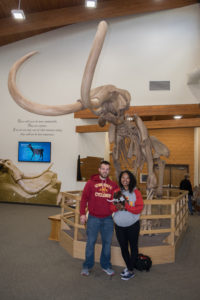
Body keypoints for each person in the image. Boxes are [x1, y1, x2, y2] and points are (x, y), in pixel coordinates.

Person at [80, 160, 118, 276]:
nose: (105, 171)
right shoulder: (90, 183)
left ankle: (106, 265)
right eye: (103, 169)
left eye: (107, 169)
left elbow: (117, 202)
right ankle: (87, 266)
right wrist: (82, 214)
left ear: (109, 171)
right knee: (90, 243)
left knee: (107, 243)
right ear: (99, 169)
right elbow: (83, 199)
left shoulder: (113, 185)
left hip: (108, 219)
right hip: (93, 218)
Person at [110, 170, 144, 280]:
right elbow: (111, 207)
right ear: (120, 179)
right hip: (119, 226)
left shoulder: (136, 192)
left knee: (133, 247)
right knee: (123, 247)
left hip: (133, 225)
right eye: (123, 178)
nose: (125, 180)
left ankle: (130, 270)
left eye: (127, 178)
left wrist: (125, 206)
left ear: (131, 179)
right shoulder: (116, 191)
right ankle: (129, 267)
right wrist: (116, 207)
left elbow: (138, 209)